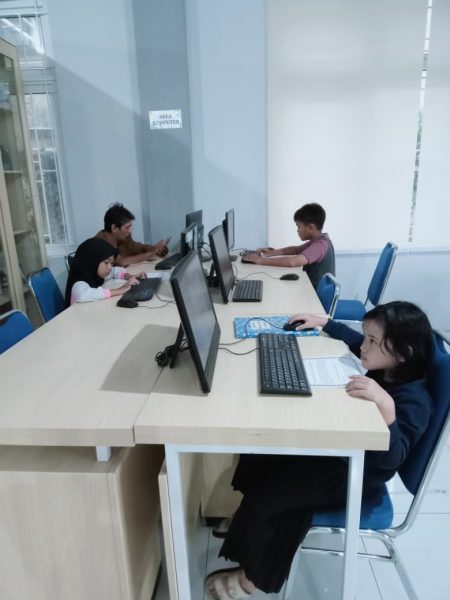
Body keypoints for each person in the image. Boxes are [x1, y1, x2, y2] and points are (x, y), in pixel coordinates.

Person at [205, 301, 433, 599]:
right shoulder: (385, 364)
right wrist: (323, 322)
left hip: (359, 472)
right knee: (261, 455)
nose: (363, 346)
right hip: (342, 448)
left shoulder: (414, 401)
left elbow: (392, 459)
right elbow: (353, 340)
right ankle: (245, 523)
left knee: (276, 498)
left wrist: (387, 408)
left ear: (403, 354)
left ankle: (252, 579)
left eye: (372, 341)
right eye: (366, 336)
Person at [242, 203, 335, 289]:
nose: (297, 230)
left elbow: (293, 262)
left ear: (310, 227)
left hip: (315, 295)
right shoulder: (319, 240)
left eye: (299, 227)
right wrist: (270, 253)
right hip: (310, 287)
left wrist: (260, 260)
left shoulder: (320, 245)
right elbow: (295, 249)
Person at [64, 237, 142, 307]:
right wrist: (120, 290)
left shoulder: (95, 273)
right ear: (93, 262)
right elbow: (83, 295)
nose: (110, 267)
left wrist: (128, 276)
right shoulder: (78, 282)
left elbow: (114, 271)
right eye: (106, 262)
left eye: (112, 263)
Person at [96, 203, 169, 267]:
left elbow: (141, 247)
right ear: (114, 228)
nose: (130, 231)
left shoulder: (124, 239)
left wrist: (156, 249)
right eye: (127, 227)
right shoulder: (99, 243)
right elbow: (121, 262)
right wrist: (152, 253)